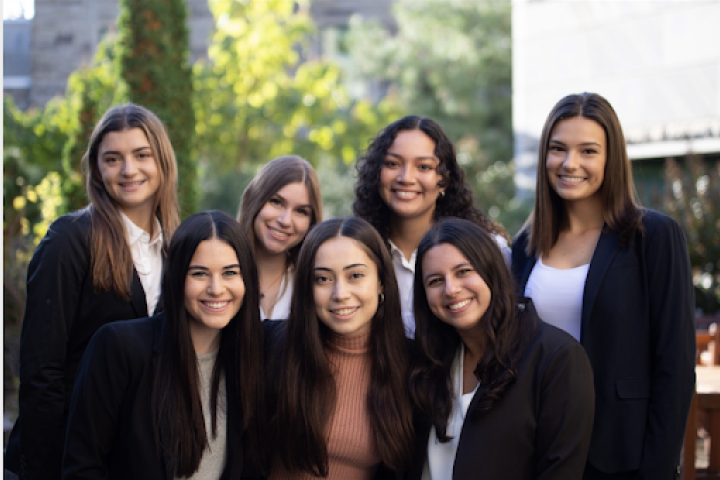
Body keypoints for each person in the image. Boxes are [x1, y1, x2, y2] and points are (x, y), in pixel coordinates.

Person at [511, 92, 696, 479]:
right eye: (558, 148)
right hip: (540, 448)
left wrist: (658, 470)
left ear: (611, 158)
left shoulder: (654, 237)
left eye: (588, 150)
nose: (570, 163)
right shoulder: (526, 247)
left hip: (621, 455)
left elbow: (675, 367)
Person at [5, 103, 180, 480]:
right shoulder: (69, 240)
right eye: (113, 159)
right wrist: (45, 470)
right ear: (98, 170)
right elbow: (41, 370)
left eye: (141, 155)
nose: (128, 170)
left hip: (135, 459)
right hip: (67, 457)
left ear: (162, 161)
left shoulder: (176, 250)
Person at [62, 210, 266, 479]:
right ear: (176, 279)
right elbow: (82, 467)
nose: (216, 288)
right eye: (200, 274)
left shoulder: (252, 359)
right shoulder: (119, 348)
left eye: (229, 273)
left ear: (246, 281)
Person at [409, 218, 595, 479]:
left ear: (491, 270)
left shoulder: (557, 358)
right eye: (435, 281)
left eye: (463, 272)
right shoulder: (429, 363)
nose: (451, 289)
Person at [265, 217, 414, 479]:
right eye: (322, 279)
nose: (340, 293)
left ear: (381, 282)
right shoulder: (273, 347)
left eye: (355, 275)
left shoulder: (411, 365)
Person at [353, 115, 509, 337]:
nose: (406, 177)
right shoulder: (355, 252)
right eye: (392, 164)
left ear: (444, 179)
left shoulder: (489, 248)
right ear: (376, 174)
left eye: (424, 166)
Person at [237, 155, 322, 320]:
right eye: (276, 202)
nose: (285, 221)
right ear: (253, 199)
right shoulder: (219, 273)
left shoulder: (314, 284)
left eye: (301, 211)